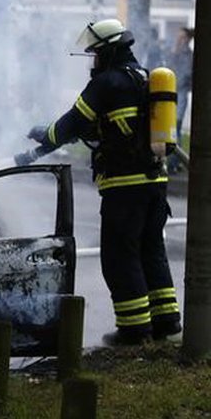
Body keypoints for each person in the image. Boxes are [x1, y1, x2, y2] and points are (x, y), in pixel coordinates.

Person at [14, 19, 181, 345]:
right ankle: (166, 323)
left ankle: (134, 330)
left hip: (125, 187)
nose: (93, 61)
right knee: (151, 252)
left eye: (95, 54)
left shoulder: (107, 84)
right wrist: (37, 151)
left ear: (108, 52)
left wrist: (42, 135)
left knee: (120, 257)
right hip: (155, 184)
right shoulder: (145, 78)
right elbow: (105, 128)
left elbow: (72, 123)